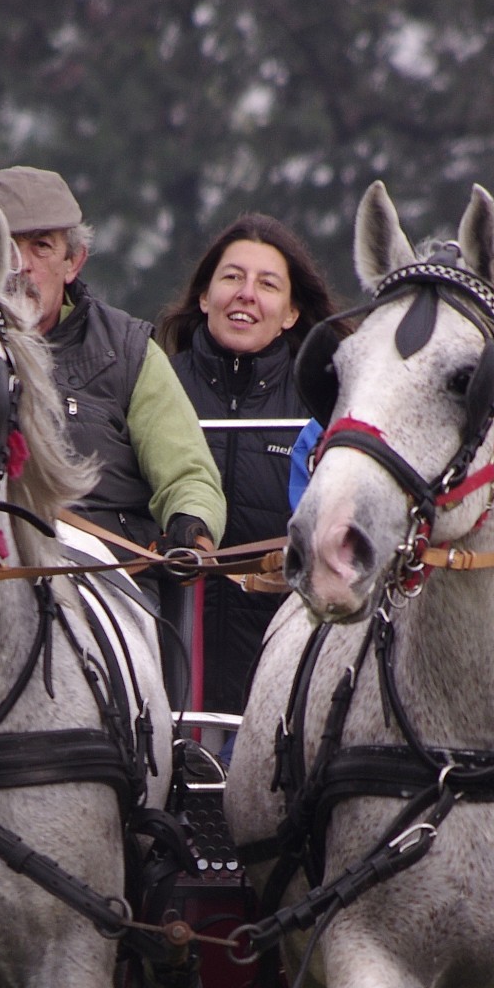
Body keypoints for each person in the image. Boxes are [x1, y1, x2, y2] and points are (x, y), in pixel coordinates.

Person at [0, 167, 225, 599]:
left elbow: (189, 474)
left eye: (41, 247)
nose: (21, 266)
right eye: (5, 246)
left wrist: (190, 521)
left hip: (108, 586)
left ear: (74, 262)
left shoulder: (129, 352)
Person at [155, 214, 340, 711]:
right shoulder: (151, 389)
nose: (246, 293)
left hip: (283, 682)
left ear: (291, 313)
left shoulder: (325, 408)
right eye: (232, 277)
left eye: (267, 284)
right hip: (159, 671)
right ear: (203, 296)